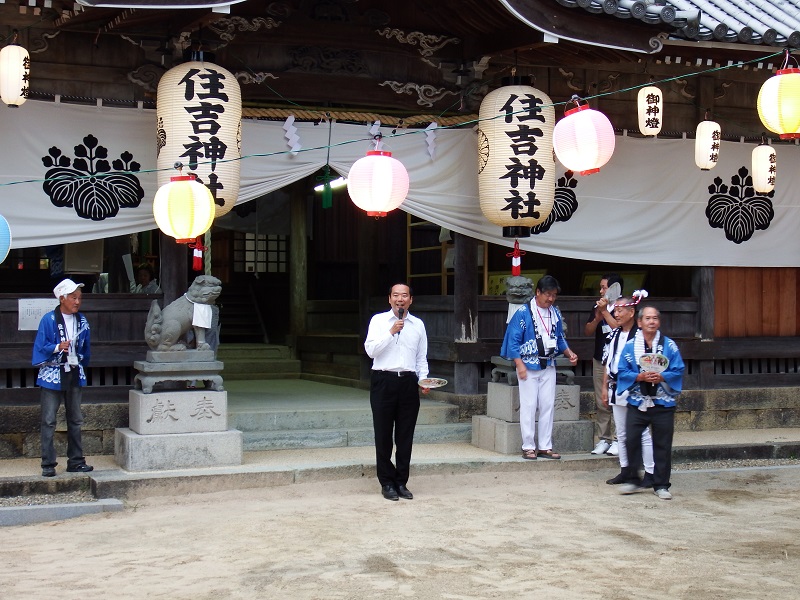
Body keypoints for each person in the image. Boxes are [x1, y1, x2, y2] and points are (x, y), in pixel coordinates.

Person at [501, 275, 579, 461]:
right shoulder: (522, 312)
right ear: (537, 292)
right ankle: (528, 446)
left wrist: (569, 353)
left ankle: (545, 446)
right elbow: (513, 341)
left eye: (554, 295)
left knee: (547, 405)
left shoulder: (555, 313)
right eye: (547, 294)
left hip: (548, 363)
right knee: (529, 405)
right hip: (528, 364)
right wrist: (519, 364)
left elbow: (559, 338)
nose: (551, 299)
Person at [364, 283, 430, 501]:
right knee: (383, 435)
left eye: (404, 296)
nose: (400, 299)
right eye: (396, 295)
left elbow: (421, 357)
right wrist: (391, 332)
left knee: (405, 435)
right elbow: (371, 350)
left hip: (408, 382)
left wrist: (424, 380)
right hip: (384, 380)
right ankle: (386, 482)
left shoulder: (418, 325)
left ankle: (401, 481)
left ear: (411, 299)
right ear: (389, 299)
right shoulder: (379, 321)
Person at [616, 305, 685, 499]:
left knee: (662, 443)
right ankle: (632, 480)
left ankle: (661, 484)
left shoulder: (669, 346)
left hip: (663, 402)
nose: (651, 321)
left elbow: (678, 369)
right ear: (639, 322)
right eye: (647, 318)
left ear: (659, 322)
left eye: (655, 318)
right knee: (631, 439)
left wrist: (662, 378)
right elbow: (622, 370)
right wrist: (639, 377)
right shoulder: (630, 347)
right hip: (637, 401)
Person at [32, 278, 93, 477]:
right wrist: (58, 347)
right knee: (49, 420)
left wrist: (79, 361)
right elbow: (41, 346)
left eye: (79, 298)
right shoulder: (48, 320)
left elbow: (86, 349)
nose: (77, 302)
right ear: (62, 298)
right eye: (73, 298)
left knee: (75, 419)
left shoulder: (82, 321)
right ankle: (48, 463)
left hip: (74, 371)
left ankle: (76, 461)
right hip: (52, 373)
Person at [601, 296, 654, 487]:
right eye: (615, 310)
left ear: (631, 312)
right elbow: (608, 363)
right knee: (622, 432)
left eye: (619, 310)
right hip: (616, 386)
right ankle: (626, 470)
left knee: (642, 432)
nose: (616, 313)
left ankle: (650, 471)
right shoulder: (615, 334)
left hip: (636, 387)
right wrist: (604, 388)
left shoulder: (641, 336)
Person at [585, 273, 623, 456]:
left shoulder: (625, 308)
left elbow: (619, 328)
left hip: (618, 362)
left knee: (617, 400)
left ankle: (618, 439)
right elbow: (587, 330)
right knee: (602, 402)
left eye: (604, 287)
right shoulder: (596, 307)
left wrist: (606, 312)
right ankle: (603, 439)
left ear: (615, 289)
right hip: (600, 360)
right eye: (600, 287)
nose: (601, 291)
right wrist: (597, 318)